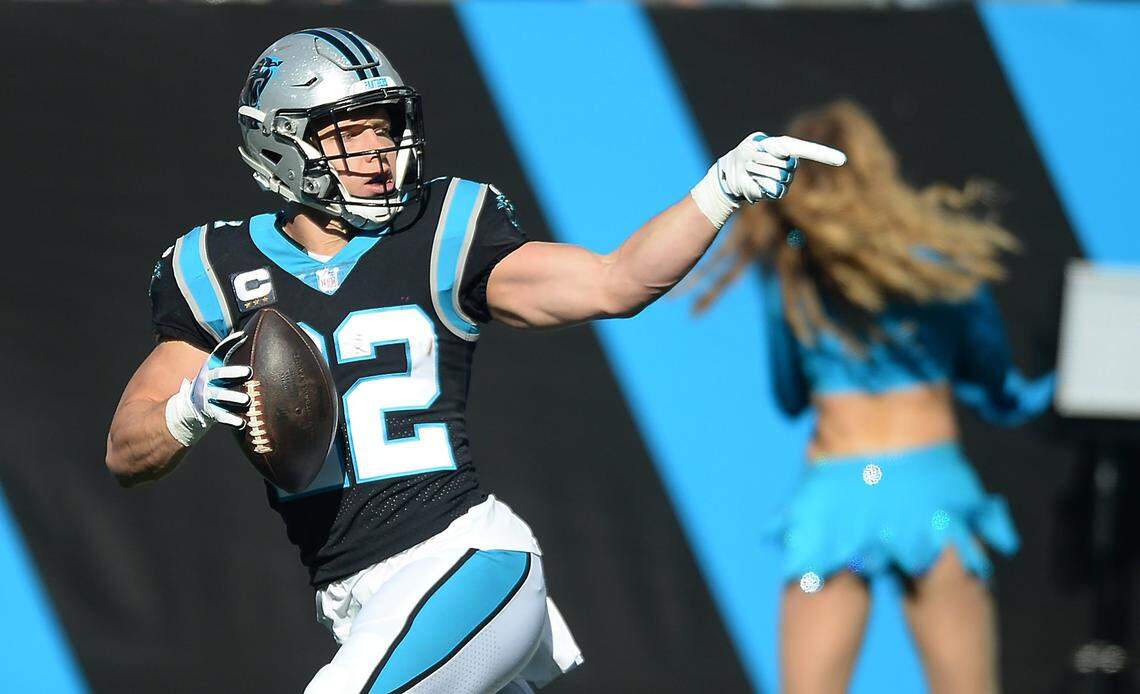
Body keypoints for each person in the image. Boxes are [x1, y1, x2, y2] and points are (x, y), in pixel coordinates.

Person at [104, 28, 845, 694]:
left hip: (464, 557)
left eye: (383, 128)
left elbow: (616, 283)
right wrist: (189, 408)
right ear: (280, 143)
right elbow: (126, 449)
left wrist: (717, 193)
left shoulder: (442, 229)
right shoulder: (214, 267)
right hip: (355, 598)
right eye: (348, 134)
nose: (376, 153)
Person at [693, 100, 1053, 694]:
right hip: (932, 503)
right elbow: (993, 377)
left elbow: (788, 397)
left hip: (838, 505)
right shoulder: (940, 268)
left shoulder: (796, 281)